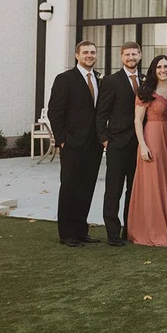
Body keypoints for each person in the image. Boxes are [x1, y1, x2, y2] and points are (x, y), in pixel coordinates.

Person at [48, 41, 104, 247]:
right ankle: (67, 233)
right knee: (70, 187)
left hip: (94, 144)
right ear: (77, 55)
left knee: (87, 187)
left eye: (93, 52)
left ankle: (81, 231)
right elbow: (55, 111)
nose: (90, 55)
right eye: (86, 52)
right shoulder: (64, 79)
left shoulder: (99, 78)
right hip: (72, 143)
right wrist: (61, 140)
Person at [127, 55, 167, 247]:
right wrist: (143, 145)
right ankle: (154, 230)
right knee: (154, 183)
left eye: (166, 66)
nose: (163, 70)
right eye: (159, 67)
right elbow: (137, 120)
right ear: (153, 70)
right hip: (153, 138)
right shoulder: (146, 91)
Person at [95, 41, 142, 246]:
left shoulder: (146, 80)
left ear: (140, 55)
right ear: (121, 57)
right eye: (127, 54)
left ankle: (129, 231)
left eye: (134, 54)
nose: (131, 58)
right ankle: (113, 233)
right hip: (117, 144)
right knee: (113, 190)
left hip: (139, 145)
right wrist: (105, 140)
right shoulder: (111, 81)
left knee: (134, 190)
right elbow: (101, 114)